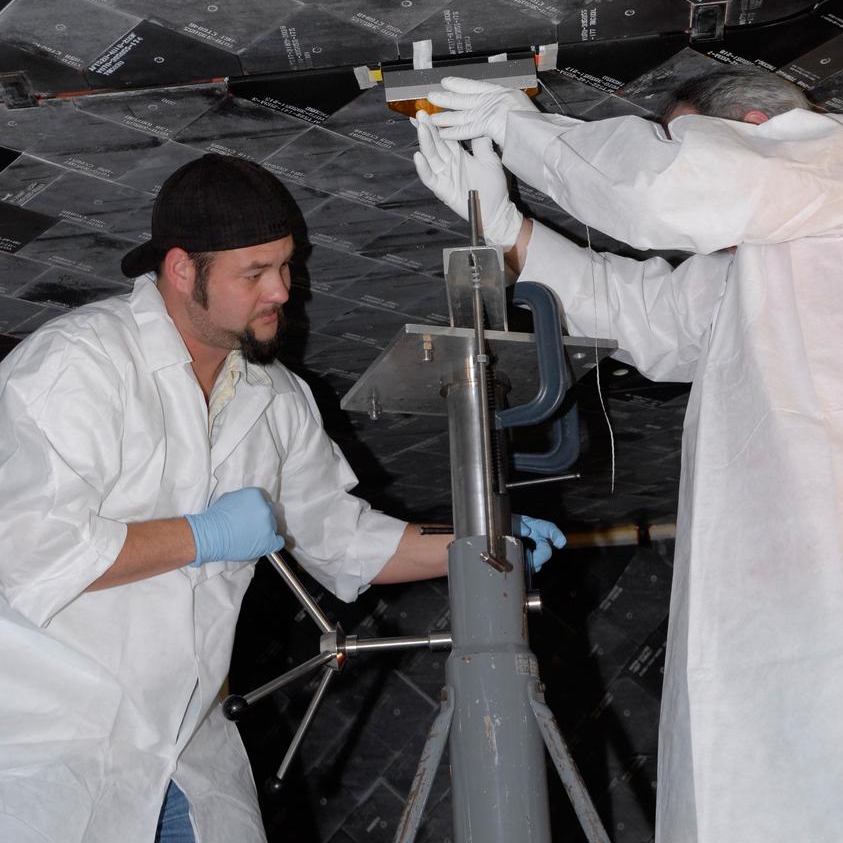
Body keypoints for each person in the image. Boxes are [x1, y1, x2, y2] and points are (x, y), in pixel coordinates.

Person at [0, 153, 563, 843]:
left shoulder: (277, 397)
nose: (282, 292)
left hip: (188, 757)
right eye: (255, 273)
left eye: (287, 266)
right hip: (51, 750)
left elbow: (344, 540)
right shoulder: (78, 364)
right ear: (182, 271)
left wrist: (481, 545)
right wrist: (203, 536)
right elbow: (25, 549)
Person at [414, 68, 843, 843]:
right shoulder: (770, 255)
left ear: (753, 122)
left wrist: (519, 128)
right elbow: (646, 317)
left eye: (682, 134)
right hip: (788, 619)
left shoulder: (834, 158)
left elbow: (668, 189)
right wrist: (506, 227)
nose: (675, 151)